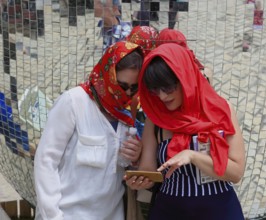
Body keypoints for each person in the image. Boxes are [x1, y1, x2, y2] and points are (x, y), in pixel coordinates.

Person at [125, 43, 246, 220]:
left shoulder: (221, 109)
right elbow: (149, 170)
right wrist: (139, 180)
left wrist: (193, 156)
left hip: (219, 210)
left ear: (185, 78)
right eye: (155, 90)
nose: (162, 96)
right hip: (170, 210)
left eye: (168, 87)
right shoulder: (156, 117)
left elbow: (236, 173)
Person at [34, 41, 144, 220]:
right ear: (108, 76)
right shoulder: (74, 102)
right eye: (122, 86)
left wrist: (135, 158)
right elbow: (46, 160)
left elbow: (121, 169)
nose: (127, 94)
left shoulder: (127, 115)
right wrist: (53, 215)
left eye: (134, 88)